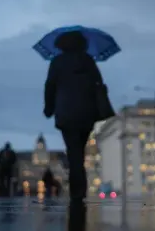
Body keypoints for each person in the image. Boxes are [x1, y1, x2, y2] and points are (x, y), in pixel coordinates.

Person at [43, 31, 104, 202]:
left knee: (73, 151)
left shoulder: (57, 62)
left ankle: (76, 190)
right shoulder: (88, 61)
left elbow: (50, 86)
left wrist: (49, 108)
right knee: (79, 150)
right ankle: (80, 189)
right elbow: (98, 83)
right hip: (86, 112)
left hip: (65, 112)